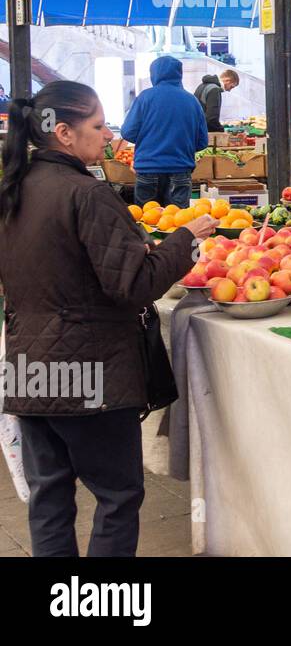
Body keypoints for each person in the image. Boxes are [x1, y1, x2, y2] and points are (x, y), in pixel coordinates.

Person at [0, 83, 218, 557]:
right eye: (98, 126)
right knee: (118, 496)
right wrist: (184, 239)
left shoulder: (13, 190)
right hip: (89, 374)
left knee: (50, 497)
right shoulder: (87, 194)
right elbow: (134, 285)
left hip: (29, 371)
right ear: (64, 133)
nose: (108, 135)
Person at [120, 56, 208, 208]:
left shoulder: (145, 98)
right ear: (179, 74)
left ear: (154, 74)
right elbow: (201, 142)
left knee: (147, 221)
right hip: (180, 169)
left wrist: (150, 139)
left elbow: (128, 132)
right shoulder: (192, 101)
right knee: (177, 222)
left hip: (148, 169)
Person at [194, 68, 239, 133]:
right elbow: (211, 119)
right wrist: (222, 130)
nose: (229, 90)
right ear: (227, 80)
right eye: (231, 87)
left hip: (195, 129)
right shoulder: (214, 89)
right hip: (203, 132)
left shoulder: (202, 85)